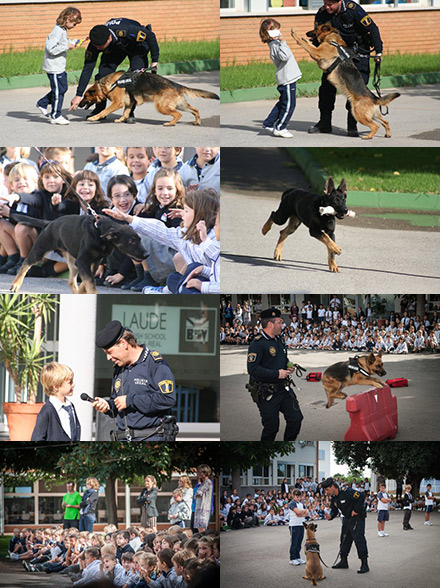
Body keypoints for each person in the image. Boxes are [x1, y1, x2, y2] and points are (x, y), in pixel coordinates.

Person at [308, 0, 383, 137]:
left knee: (356, 91)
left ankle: (352, 125)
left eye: (330, 4)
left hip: (357, 53)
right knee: (326, 88)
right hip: (335, 56)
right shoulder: (322, 13)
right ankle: (325, 123)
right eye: (325, 3)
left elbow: (372, 28)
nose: (327, 6)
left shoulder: (352, 9)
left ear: (339, 1)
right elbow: (316, 36)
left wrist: (378, 51)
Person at [93, 320, 177, 441]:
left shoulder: (154, 363)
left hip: (151, 438)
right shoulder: (119, 368)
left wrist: (130, 400)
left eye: (110, 352)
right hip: (123, 439)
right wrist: (108, 406)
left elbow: (168, 399)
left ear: (123, 344)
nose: (108, 358)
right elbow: (118, 404)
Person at [69, 17, 159, 120]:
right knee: (103, 76)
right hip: (114, 50)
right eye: (96, 46)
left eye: (100, 46)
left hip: (136, 46)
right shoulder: (95, 43)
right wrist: (78, 95)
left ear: (109, 38)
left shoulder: (128, 30)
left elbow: (150, 36)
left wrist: (154, 60)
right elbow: (87, 68)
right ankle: (100, 109)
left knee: (134, 78)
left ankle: (129, 112)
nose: (97, 49)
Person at [246, 307, 303, 441]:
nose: (282, 325)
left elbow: (282, 360)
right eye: (280, 322)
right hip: (266, 392)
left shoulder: (279, 340)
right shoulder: (257, 344)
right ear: (271, 324)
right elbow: (252, 369)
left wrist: (289, 366)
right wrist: (277, 374)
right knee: (271, 427)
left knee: (296, 419)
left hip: (283, 389)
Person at [37, 7, 83, 125]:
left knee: (62, 88)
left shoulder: (62, 30)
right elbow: (51, 48)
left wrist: (76, 42)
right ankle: (55, 115)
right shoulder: (57, 31)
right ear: (68, 19)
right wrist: (67, 47)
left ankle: (42, 103)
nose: (74, 26)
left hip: (59, 67)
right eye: (74, 24)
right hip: (54, 68)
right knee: (58, 91)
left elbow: (64, 43)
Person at [259, 18, 302, 139]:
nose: (279, 32)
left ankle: (268, 123)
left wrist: (281, 42)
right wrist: (283, 42)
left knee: (283, 102)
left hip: (288, 77)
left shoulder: (275, 43)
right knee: (289, 104)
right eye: (276, 30)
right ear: (269, 33)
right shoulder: (275, 45)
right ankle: (280, 127)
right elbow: (285, 56)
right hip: (286, 79)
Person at [322, 477, 369, 574]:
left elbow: (361, 496)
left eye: (327, 489)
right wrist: (330, 516)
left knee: (359, 540)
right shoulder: (334, 498)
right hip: (347, 519)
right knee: (344, 540)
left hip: (357, 518)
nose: (326, 492)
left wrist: (355, 510)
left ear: (332, 487)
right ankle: (343, 561)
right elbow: (334, 511)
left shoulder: (346, 491)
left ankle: (364, 564)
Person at [31, 363, 81, 441]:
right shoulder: (46, 411)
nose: (73, 385)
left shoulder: (70, 406)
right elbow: (37, 438)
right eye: (70, 382)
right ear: (56, 387)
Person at [288, 489, 308, 566]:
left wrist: (301, 513)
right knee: (294, 542)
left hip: (301, 524)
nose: (298, 498)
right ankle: (292, 558)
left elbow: (306, 513)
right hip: (294, 525)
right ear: (293, 496)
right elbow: (298, 512)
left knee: (299, 542)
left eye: (300, 497)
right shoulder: (292, 503)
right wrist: (301, 512)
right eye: (297, 497)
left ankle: (297, 557)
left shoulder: (301, 504)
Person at [194, 464, 214, 532]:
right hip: (200, 508)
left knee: (202, 528)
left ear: (205, 473)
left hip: (204, 508)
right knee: (199, 528)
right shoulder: (203, 483)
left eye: (200, 472)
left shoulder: (208, 482)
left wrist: (199, 484)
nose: (198, 474)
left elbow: (198, 493)